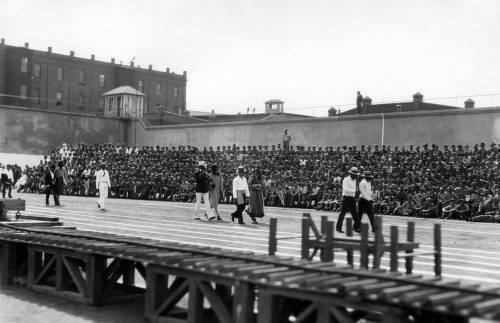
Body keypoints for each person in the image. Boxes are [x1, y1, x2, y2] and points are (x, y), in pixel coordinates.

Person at [336, 167, 361, 233]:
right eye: (355, 175)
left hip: (352, 198)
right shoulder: (346, 179)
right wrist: (355, 191)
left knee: (355, 214)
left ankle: (356, 228)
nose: (356, 176)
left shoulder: (354, 180)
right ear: (351, 174)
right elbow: (346, 190)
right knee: (342, 213)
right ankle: (338, 228)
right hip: (346, 198)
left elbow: (352, 191)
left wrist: (354, 193)